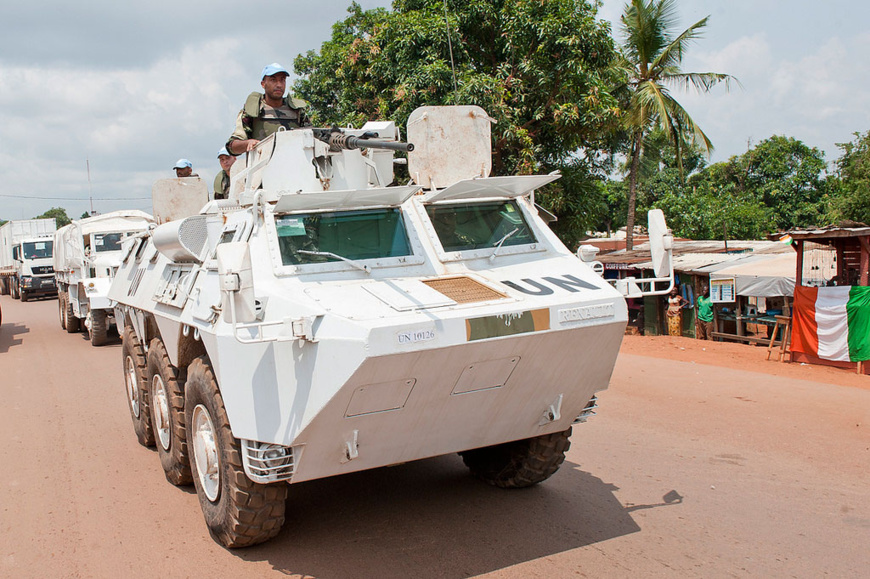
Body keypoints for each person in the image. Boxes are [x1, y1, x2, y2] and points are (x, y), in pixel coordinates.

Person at [226, 63, 311, 155]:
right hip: (262, 166)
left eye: (282, 80)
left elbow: (313, 136)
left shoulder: (297, 111)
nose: (279, 85)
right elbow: (232, 146)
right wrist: (248, 143)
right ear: (263, 84)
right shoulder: (253, 110)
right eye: (273, 80)